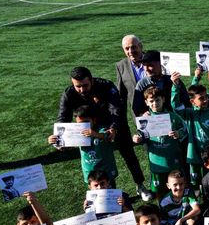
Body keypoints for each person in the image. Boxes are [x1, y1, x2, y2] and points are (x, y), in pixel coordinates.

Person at [55, 66, 149, 199]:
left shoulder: (106, 86)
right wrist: (59, 139)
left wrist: (113, 127)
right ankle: (99, 195)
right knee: (94, 159)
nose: (82, 89)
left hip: (113, 124)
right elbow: (62, 117)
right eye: (78, 86)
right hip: (88, 128)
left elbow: (116, 109)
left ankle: (140, 185)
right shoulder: (69, 93)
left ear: (91, 80)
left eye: (85, 85)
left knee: (129, 154)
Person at [132, 87, 186, 198]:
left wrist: (178, 133)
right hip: (156, 162)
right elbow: (141, 135)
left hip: (172, 160)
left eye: (157, 100)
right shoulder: (145, 119)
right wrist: (137, 138)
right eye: (151, 101)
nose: (155, 103)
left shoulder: (173, 116)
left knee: (177, 188)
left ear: (163, 99)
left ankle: (179, 209)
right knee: (160, 192)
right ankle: (163, 211)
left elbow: (184, 129)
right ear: (146, 102)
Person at [50, 105, 118, 187]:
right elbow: (63, 146)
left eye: (86, 123)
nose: (83, 126)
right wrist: (54, 141)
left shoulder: (101, 129)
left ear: (94, 120)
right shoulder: (77, 133)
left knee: (111, 194)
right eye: (80, 124)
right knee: (96, 196)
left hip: (106, 170)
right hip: (89, 171)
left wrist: (96, 134)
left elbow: (108, 136)